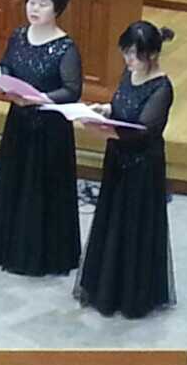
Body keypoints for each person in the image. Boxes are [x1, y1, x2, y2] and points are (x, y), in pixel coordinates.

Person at [0, 0, 82, 276]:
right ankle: (8, 246)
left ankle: (41, 255)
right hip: (19, 121)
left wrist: (39, 99)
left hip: (49, 128)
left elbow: (72, 89)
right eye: (32, 2)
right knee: (14, 181)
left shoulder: (65, 47)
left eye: (43, 4)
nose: (34, 9)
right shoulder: (18, 35)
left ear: (57, 9)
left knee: (41, 188)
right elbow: (7, 64)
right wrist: (2, 80)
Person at [75, 22, 176, 318]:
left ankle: (131, 295)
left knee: (133, 226)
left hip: (141, 165)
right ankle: (105, 285)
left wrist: (104, 131)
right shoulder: (129, 73)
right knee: (112, 219)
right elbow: (123, 104)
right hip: (118, 158)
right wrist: (106, 110)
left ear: (152, 55)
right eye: (126, 52)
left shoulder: (162, 88)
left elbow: (143, 130)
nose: (129, 59)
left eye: (135, 54)